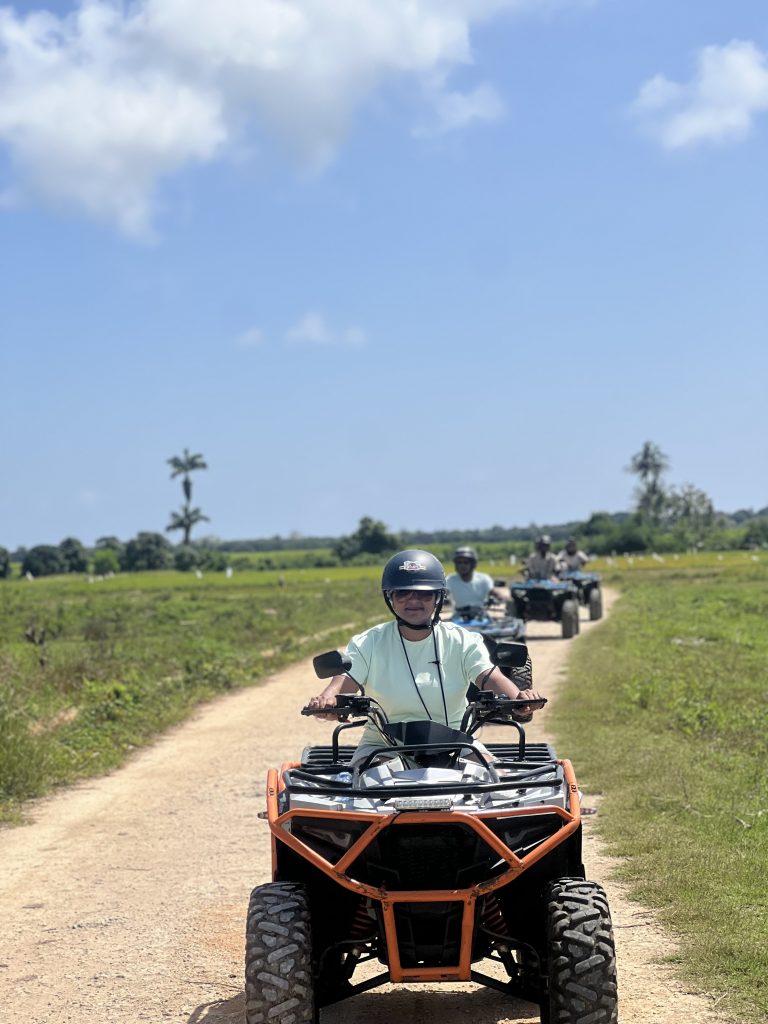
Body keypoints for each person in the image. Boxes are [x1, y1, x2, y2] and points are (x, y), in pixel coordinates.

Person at [306, 549, 545, 761]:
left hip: (456, 743)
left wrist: (519, 697)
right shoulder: (368, 642)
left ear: (438, 597)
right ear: (390, 597)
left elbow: (489, 676)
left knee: (495, 781)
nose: (413, 600)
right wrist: (327, 700)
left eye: (424, 594)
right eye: (403, 593)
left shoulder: (462, 640)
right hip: (382, 746)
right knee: (368, 789)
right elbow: (344, 680)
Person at [446, 545, 503, 611]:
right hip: (458, 614)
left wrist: (499, 596)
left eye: (465, 563)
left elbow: (493, 592)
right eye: (459, 563)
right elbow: (444, 593)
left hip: (481, 614)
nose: (462, 565)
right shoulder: (450, 579)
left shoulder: (484, 578)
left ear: (473, 564)